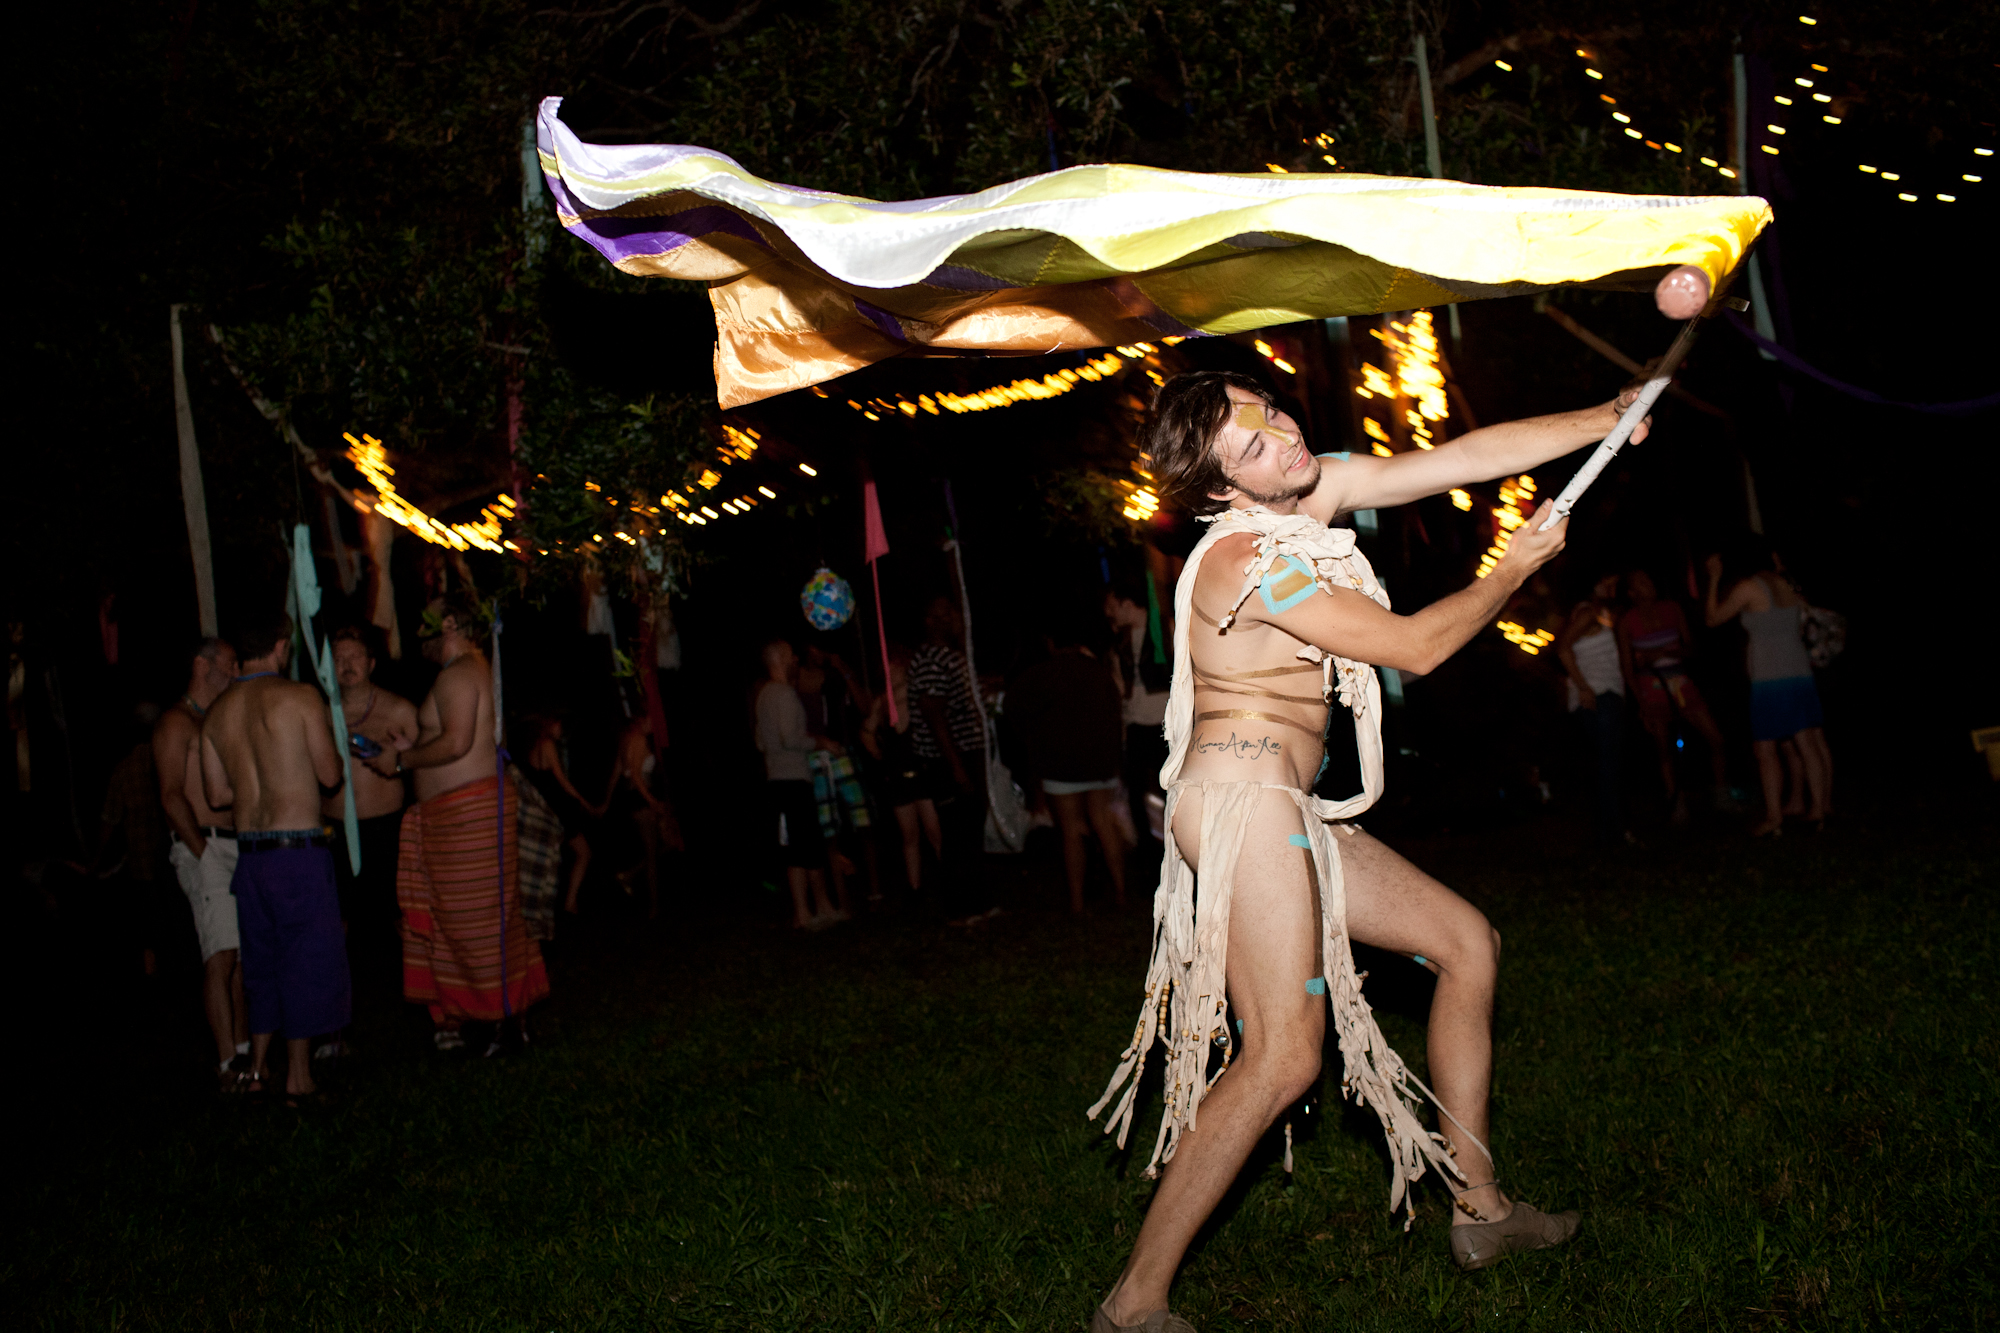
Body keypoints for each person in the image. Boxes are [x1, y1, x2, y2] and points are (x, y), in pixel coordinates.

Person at [1088, 371, 1643, 1330]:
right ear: (1219, 490)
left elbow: (1455, 459)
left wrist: (1603, 416)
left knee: (1466, 942)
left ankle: (1481, 1207)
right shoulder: (1247, 558)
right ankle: (1133, 1303)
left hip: (1282, 800)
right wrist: (1513, 569)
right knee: (1283, 1059)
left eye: (1268, 411)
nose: (1281, 435)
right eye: (1252, 445)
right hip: (1241, 803)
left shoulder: (1308, 491)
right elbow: (1414, 646)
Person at [370, 594, 548, 1053]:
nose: (418, 632)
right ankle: (499, 1019)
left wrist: (402, 759)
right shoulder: (464, 672)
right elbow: (451, 739)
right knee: (472, 921)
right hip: (458, 816)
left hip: (469, 816)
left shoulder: (461, 672)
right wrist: (414, 740)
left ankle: (503, 1023)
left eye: (427, 621)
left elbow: (456, 743)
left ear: (449, 623)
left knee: (479, 923)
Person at [198, 616, 350, 1102]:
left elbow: (218, 794)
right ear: (281, 647)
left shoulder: (216, 714)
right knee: (304, 961)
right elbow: (329, 775)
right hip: (297, 853)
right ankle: (299, 1080)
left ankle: (258, 1068)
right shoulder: (300, 698)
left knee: (260, 965)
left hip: (251, 859)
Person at [152, 636, 248, 1088]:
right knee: (220, 952)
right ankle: (228, 1062)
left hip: (237, 842)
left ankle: (246, 1051)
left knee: (241, 955)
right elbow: (171, 795)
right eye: (229, 663)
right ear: (201, 665)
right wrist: (202, 851)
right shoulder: (175, 723)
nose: (235, 670)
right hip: (203, 846)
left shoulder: (221, 721)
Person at [1007, 602, 1129, 913]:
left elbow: (1014, 712)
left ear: (1050, 642)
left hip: (1059, 765)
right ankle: (1120, 893)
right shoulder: (1096, 672)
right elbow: (1116, 711)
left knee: (1071, 830)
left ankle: (1076, 902)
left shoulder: (1039, 675)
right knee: (1103, 821)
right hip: (1098, 761)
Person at [1703, 544, 1833, 834]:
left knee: (1765, 748)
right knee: (1808, 741)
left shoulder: (1749, 587)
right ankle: (1819, 809)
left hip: (1771, 678)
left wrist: (1713, 577)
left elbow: (1712, 619)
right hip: (1799, 670)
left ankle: (1775, 818)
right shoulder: (1785, 584)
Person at [322, 625, 417, 982]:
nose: (346, 665)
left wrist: (400, 762)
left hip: (386, 827)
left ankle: (434, 1004)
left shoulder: (399, 710)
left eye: (354, 657)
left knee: (403, 915)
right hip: (334, 832)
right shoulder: (316, 713)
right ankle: (332, 1018)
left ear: (372, 663)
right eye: (338, 658)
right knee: (335, 920)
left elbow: (423, 767)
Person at [1616, 568, 1730, 822]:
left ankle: (1721, 794)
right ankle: (1676, 801)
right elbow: (1627, 668)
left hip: (1681, 683)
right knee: (1663, 748)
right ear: (1632, 593)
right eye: (1642, 582)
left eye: (1649, 578)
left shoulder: (1672, 609)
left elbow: (1692, 649)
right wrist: (1641, 703)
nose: (1650, 584)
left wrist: (1666, 653)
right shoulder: (1627, 621)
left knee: (1716, 739)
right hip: (1651, 687)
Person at [909, 596, 994, 922]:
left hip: (966, 752)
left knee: (970, 829)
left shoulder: (951, 656)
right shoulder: (931, 658)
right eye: (944, 613)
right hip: (949, 757)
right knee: (957, 832)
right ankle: (961, 907)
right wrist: (956, 764)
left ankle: (978, 901)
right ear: (930, 622)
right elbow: (933, 713)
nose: (954, 619)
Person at [753, 639, 840, 928]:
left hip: (776, 780)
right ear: (778, 659)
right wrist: (821, 741)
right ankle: (820, 908)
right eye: (791, 656)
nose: (796, 661)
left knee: (794, 849)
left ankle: (805, 912)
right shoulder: (785, 695)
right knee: (810, 847)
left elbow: (760, 741)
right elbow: (790, 739)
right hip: (793, 780)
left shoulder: (763, 695)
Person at [859, 645, 943, 896]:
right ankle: (914, 887)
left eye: (894, 667)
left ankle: (947, 878)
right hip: (897, 773)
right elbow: (866, 730)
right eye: (887, 669)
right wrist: (875, 750)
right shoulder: (881, 701)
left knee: (934, 831)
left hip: (921, 768)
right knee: (909, 835)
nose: (890, 672)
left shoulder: (915, 693)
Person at [1554, 572, 1628, 841]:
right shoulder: (1586, 613)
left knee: (1607, 762)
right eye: (1606, 581)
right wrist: (1583, 687)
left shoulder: (1600, 613)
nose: (1611, 586)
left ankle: (1609, 829)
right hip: (1598, 694)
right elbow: (1563, 649)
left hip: (1605, 692)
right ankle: (1613, 832)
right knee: (1608, 763)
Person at [1107, 573, 1174, 847]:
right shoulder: (1119, 642)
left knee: (1170, 789)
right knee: (1136, 793)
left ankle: (1178, 844)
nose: (1108, 612)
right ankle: (1148, 853)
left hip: (1164, 723)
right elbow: (1122, 690)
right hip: (1135, 724)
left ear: (1126, 604)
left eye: (1112, 606)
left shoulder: (1163, 627)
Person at [598, 711, 684, 919]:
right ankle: (653, 908)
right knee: (652, 852)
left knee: (670, 842)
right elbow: (636, 775)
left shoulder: (624, 741)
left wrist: (606, 803)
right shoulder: (638, 740)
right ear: (642, 720)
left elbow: (616, 775)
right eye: (651, 722)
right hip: (641, 798)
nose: (654, 727)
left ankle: (630, 875)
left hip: (635, 799)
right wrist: (651, 801)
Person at [522, 714, 599, 914]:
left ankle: (555, 902)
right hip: (558, 810)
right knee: (584, 853)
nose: (561, 730)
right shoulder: (547, 745)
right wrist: (586, 804)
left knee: (555, 858)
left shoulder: (533, 746)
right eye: (559, 725)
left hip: (545, 809)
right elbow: (562, 782)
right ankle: (569, 901)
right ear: (551, 724)